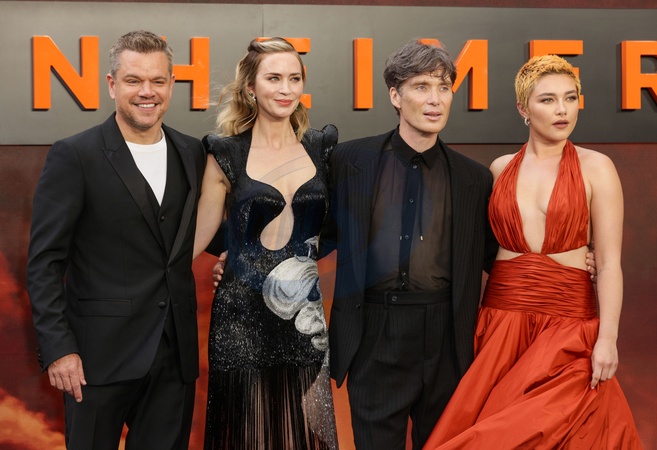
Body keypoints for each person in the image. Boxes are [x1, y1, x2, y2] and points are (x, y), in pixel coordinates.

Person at [423, 55, 642, 449]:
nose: (562, 110)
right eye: (548, 100)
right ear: (523, 108)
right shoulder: (499, 169)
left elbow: (610, 264)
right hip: (500, 328)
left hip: (569, 330)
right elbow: (477, 251)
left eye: (570, 98)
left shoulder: (598, 168)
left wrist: (607, 339)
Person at [25, 31, 206, 449]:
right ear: (111, 85)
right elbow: (45, 262)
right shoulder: (75, 155)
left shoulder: (191, 151)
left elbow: (188, 230)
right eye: (133, 80)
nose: (147, 92)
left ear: (171, 85)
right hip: (95, 360)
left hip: (174, 358)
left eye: (157, 81)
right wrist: (58, 348)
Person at [321, 40, 498, 450]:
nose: (435, 99)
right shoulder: (349, 161)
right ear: (395, 96)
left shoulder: (474, 179)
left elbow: (496, 257)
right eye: (421, 87)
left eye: (444, 87)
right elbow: (317, 233)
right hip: (373, 331)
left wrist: (571, 263)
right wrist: (240, 257)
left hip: (447, 336)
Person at [193, 37, 338, 449]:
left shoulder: (322, 147)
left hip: (304, 319)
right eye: (273, 78)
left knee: (305, 433)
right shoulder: (225, 153)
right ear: (250, 88)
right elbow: (196, 237)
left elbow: (338, 227)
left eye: (294, 78)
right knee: (246, 436)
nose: (285, 89)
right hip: (239, 319)